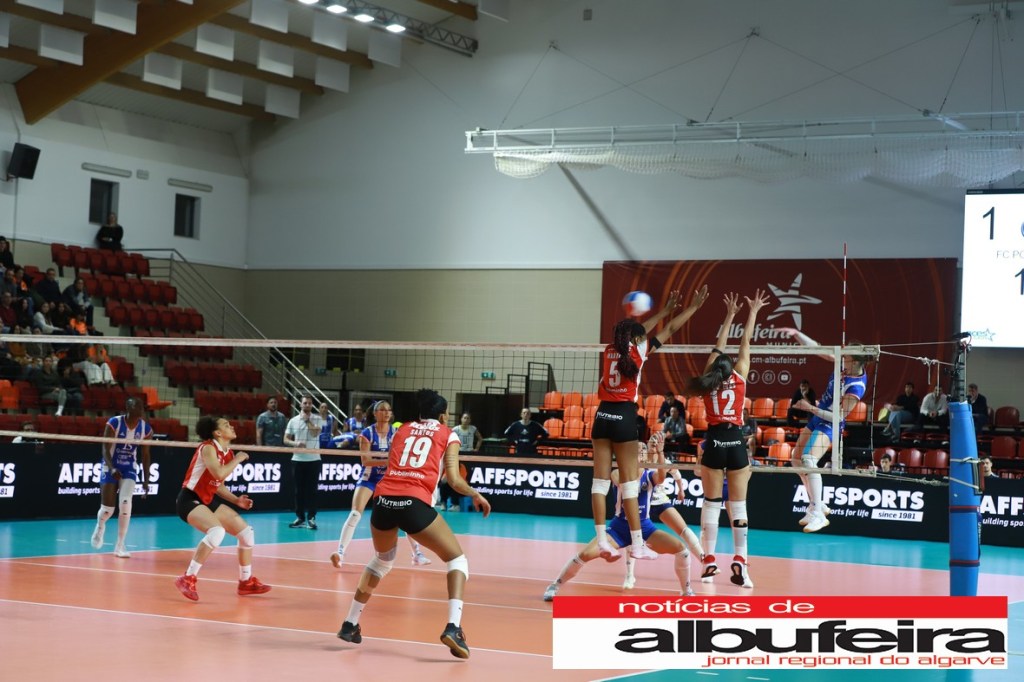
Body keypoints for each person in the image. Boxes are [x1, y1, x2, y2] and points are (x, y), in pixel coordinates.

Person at [336, 388, 491, 660]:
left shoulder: (402, 429)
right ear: (442, 416)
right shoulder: (448, 434)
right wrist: (476, 494)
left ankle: (350, 623)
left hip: (383, 501)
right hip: (414, 503)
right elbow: (454, 480)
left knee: (381, 561)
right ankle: (453, 628)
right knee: (457, 560)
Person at [590, 287, 709, 562]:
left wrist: (663, 311)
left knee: (599, 484)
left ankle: (602, 541)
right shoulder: (638, 354)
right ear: (637, 339)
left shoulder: (609, 351)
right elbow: (668, 330)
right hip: (624, 417)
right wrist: (686, 309)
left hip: (602, 416)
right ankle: (637, 544)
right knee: (630, 485)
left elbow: (637, 333)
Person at [544, 435, 696, 601]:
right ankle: (555, 585)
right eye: (635, 450)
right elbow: (626, 484)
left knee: (682, 550)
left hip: (645, 528)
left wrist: (659, 453)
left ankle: (686, 590)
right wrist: (633, 462)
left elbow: (661, 478)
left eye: (642, 449)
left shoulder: (649, 475)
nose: (640, 451)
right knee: (585, 554)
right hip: (619, 528)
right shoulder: (617, 473)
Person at [689, 290, 769, 588]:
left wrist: (729, 315)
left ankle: (709, 562)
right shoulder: (740, 377)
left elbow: (718, 347)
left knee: (711, 504)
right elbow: (745, 343)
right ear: (731, 367)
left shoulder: (706, 381)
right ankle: (740, 563)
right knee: (739, 506)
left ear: (714, 368)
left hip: (714, 441)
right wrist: (752, 312)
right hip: (736, 442)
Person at [781, 328, 872, 533]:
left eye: (845, 356)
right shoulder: (843, 363)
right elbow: (816, 347)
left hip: (830, 422)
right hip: (818, 417)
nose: (841, 357)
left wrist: (810, 408)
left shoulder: (856, 387)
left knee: (809, 460)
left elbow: (839, 417)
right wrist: (796, 333)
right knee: (796, 459)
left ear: (855, 362)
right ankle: (817, 504)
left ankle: (818, 515)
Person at [173, 416, 271, 601]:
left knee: (246, 533)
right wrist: (239, 459)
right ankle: (187, 578)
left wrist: (236, 500)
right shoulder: (208, 448)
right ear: (217, 433)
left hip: (208, 500)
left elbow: (217, 484)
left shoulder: (228, 453)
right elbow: (218, 472)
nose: (232, 426)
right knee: (217, 532)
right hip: (189, 499)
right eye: (226, 425)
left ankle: (246, 582)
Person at [330, 400, 431, 568]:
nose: (387, 413)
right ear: (375, 413)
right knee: (355, 513)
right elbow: (365, 461)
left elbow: (400, 458)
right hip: (369, 478)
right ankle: (340, 553)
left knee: (406, 514)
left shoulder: (397, 433)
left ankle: (417, 554)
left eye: (389, 410)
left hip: (390, 479)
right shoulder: (367, 433)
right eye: (383, 410)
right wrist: (388, 461)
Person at [621, 432, 703, 592]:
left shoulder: (662, 461)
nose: (652, 444)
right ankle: (630, 575)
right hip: (641, 504)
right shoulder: (636, 462)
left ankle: (705, 561)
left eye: (655, 442)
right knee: (632, 539)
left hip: (659, 501)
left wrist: (681, 490)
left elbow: (676, 474)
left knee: (683, 529)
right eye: (650, 442)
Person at [90, 397, 152, 558]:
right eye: (137, 406)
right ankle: (100, 526)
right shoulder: (114, 423)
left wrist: (146, 480)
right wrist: (111, 468)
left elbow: (146, 455)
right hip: (110, 464)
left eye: (142, 406)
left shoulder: (145, 429)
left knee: (125, 502)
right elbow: (105, 448)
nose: (141, 409)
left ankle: (120, 545)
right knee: (107, 510)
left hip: (129, 467)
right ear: (128, 408)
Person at [283, 395, 324, 529]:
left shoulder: (318, 419)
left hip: (314, 459)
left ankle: (311, 518)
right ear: (300, 405)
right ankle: (300, 518)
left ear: (312, 405)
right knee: (298, 491)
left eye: (309, 403)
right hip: (298, 459)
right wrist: (296, 443)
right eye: (305, 403)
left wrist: (307, 420)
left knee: (312, 491)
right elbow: (285, 439)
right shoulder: (293, 421)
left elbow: (315, 433)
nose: (307, 405)